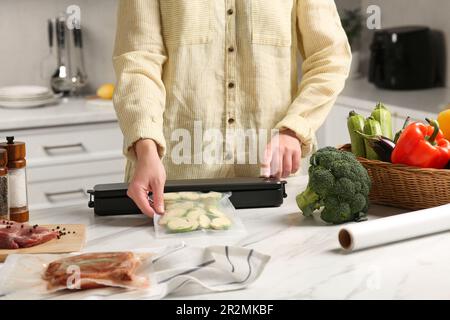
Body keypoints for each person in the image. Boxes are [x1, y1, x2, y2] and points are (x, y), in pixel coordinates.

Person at [113, 0, 352, 217]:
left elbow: (329, 57)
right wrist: (145, 147)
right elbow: (138, 63)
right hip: (174, 188)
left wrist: (296, 127)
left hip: (276, 191)